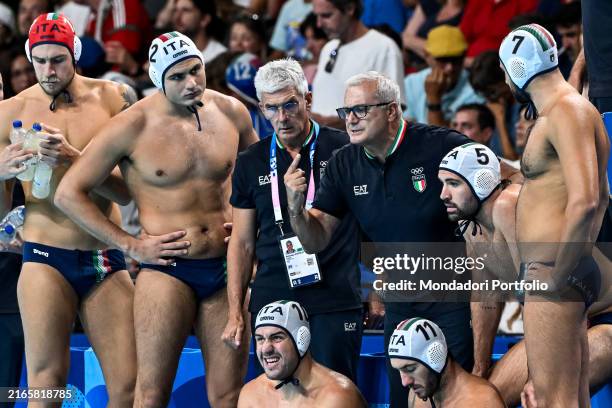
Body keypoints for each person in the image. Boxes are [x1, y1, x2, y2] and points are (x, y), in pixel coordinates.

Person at [55, 30, 258, 407]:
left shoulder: (232, 112)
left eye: (196, 71)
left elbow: (262, 180)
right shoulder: (131, 126)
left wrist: (254, 239)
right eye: (178, 77)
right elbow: (69, 193)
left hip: (227, 268)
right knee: (150, 396)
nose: (192, 82)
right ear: (158, 80)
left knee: (227, 396)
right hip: (167, 269)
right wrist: (131, 244)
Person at [284, 71, 473, 407]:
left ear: (391, 111)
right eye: (346, 112)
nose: (350, 120)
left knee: (452, 398)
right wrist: (296, 210)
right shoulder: (344, 163)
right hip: (400, 300)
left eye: (361, 110)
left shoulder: (441, 145)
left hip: (453, 298)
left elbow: (503, 177)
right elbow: (315, 240)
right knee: (403, 399)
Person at [0, 13, 137, 405]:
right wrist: (2, 171)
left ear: (74, 54)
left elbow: (127, 194)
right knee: (45, 383)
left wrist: (76, 158)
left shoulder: (115, 99)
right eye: (39, 60)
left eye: (57, 59)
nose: (48, 70)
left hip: (103, 258)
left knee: (128, 388)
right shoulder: (10, 111)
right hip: (44, 257)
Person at [437, 143, 612, 406]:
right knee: (481, 399)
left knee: (545, 392)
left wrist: (537, 375)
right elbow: (486, 295)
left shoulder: (510, 206)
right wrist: (480, 369)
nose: (443, 194)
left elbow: (544, 300)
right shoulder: (471, 224)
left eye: (452, 183)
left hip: (602, 323)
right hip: (564, 326)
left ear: (481, 182)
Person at [223, 59, 363, 381]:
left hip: (334, 296)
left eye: (290, 105)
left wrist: (379, 289)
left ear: (308, 100)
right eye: (272, 109)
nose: (282, 118)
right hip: (272, 297)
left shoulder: (344, 150)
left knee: (337, 393)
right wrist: (235, 312)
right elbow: (242, 244)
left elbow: (372, 223)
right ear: (261, 109)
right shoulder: (250, 162)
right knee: (278, 397)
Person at [498, 23, 610, 407]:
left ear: (514, 68)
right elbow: (601, 196)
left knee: (552, 399)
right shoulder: (569, 108)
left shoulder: (565, 110)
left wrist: (559, 273)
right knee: (572, 398)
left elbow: (588, 200)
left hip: (552, 267)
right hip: (560, 265)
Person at [238, 300, 367, 407]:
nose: (266, 349)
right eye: (260, 339)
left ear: (301, 340)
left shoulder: (335, 397)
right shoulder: (251, 395)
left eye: (277, 337)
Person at [311, 0, 405, 128]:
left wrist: (334, 124)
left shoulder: (384, 47)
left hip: (358, 146)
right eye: (317, 16)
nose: (319, 24)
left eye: (326, 16)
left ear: (350, 8)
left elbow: (392, 112)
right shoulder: (328, 48)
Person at [389, 317, 505, 408]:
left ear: (435, 357)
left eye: (410, 369)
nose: (404, 382)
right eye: (400, 370)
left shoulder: (483, 401)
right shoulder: (417, 395)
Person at [403, 25, 483, 127]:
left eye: (456, 59)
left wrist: (434, 101)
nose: (450, 67)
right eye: (443, 60)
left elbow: (445, 140)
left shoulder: (474, 89)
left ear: (464, 56)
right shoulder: (411, 83)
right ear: (427, 56)